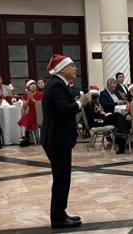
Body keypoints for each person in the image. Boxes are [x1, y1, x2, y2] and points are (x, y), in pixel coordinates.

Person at [40, 54, 90, 229]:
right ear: (62, 68)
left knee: (62, 177)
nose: (75, 69)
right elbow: (64, 110)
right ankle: (58, 218)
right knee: (61, 178)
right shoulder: (56, 85)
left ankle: (60, 213)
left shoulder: (59, 84)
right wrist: (80, 103)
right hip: (56, 139)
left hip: (59, 138)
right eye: (72, 66)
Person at [82, 86, 130, 154]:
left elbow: (100, 112)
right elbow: (93, 115)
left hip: (101, 118)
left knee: (120, 119)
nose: (95, 97)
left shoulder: (95, 103)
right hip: (96, 121)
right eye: (92, 96)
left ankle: (120, 140)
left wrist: (106, 114)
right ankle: (121, 140)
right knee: (119, 116)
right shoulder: (87, 105)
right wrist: (104, 115)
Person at [18, 80, 43, 147]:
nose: (33, 86)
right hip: (31, 113)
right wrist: (28, 98)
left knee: (26, 118)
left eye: (34, 84)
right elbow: (24, 107)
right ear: (28, 87)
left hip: (39, 114)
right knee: (25, 118)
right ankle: (23, 137)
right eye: (31, 84)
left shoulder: (40, 94)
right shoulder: (26, 96)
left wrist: (32, 98)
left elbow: (40, 105)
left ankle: (24, 138)